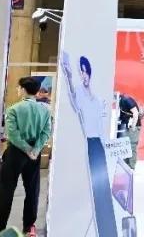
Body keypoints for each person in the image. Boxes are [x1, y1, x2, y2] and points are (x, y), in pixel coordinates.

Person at [59, 53, 117, 236]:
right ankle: (101, 228)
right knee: (96, 187)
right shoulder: (79, 92)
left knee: (104, 186)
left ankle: (109, 229)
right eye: (80, 71)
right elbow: (74, 103)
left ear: (89, 72)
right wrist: (68, 76)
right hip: (90, 143)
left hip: (101, 143)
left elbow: (102, 121)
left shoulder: (98, 96)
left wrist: (107, 144)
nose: (83, 75)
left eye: (84, 71)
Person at [0, 78, 52, 237]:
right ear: (37, 91)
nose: (17, 90)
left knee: (6, 190)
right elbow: (46, 132)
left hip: (15, 152)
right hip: (34, 155)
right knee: (32, 191)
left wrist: (26, 149)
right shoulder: (45, 111)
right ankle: (29, 227)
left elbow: (13, 135)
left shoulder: (14, 109)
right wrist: (35, 149)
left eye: (18, 88)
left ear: (22, 89)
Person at [117, 92, 142, 168]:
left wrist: (133, 126)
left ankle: (131, 168)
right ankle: (126, 167)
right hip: (127, 127)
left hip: (132, 127)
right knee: (125, 147)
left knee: (131, 147)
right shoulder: (122, 101)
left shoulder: (126, 100)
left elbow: (135, 113)